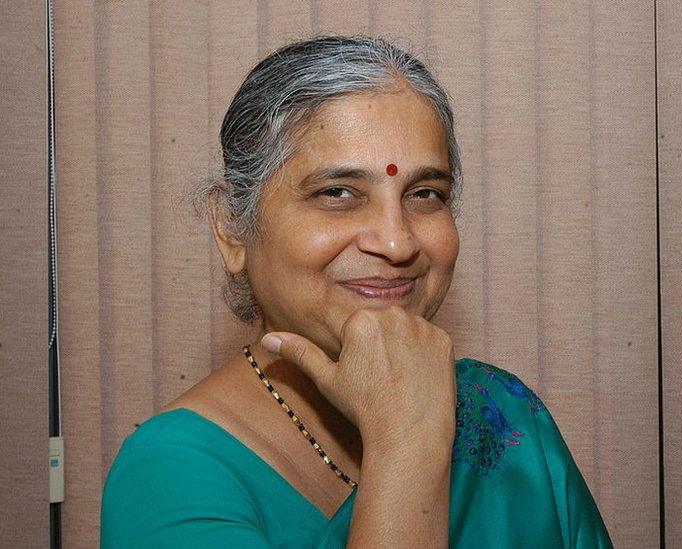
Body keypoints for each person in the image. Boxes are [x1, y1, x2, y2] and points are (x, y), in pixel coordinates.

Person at [100, 35, 612, 548]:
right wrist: (408, 440)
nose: (396, 241)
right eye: (338, 193)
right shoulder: (172, 472)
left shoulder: (502, 419)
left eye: (424, 193)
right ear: (233, 228)